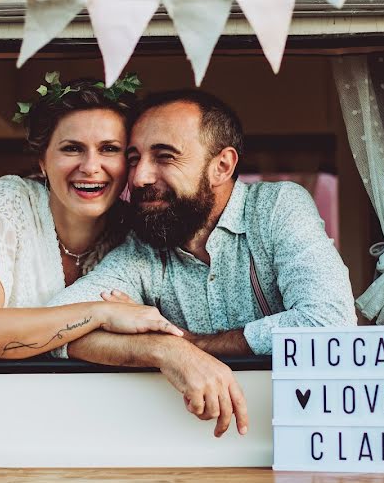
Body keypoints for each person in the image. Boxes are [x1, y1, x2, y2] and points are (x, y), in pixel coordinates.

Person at [47, 90, 356, 437]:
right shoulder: (142, 245)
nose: (139, 178)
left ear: (221, 166)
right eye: (134, 159)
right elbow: (60, 325)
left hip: (300, 433)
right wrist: (164, 349)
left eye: (164, 157)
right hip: (186, 440)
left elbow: (329, 322)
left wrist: (194, 345)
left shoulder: (276, 207)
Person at [0, 75, 183, 361]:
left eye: (109, 149)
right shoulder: (5, 203)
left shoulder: (134, 233)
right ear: (43, 162)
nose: (90, 167)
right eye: (72, 148)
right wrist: (101, 313)